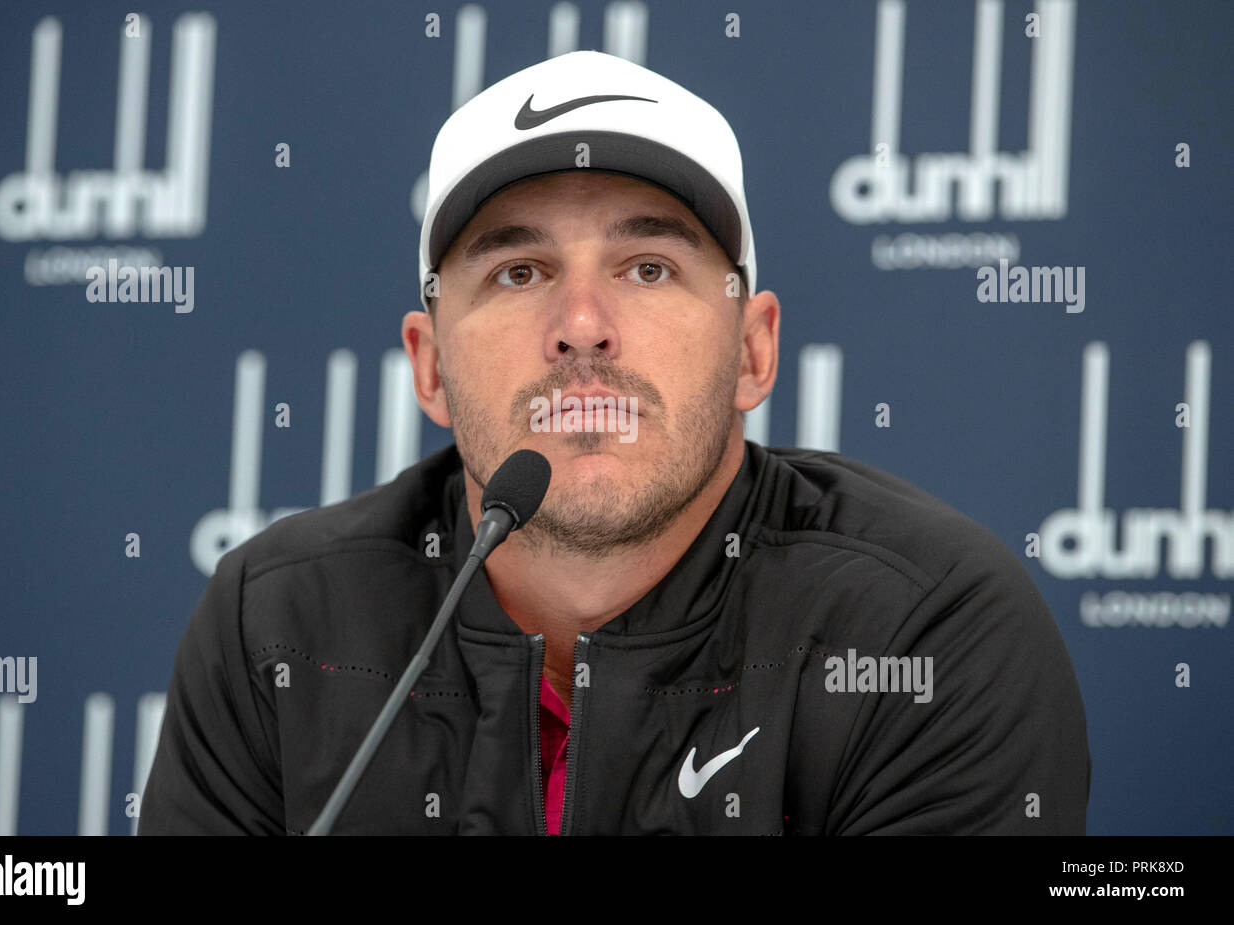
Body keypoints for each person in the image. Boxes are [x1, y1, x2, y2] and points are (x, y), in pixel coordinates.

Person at [140, 50, 1090, 835]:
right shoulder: (279, 629)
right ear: (429, 368)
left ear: (754, 351)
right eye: (518, 271)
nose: (583, 324)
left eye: (648, 265)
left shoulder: (927, 633)